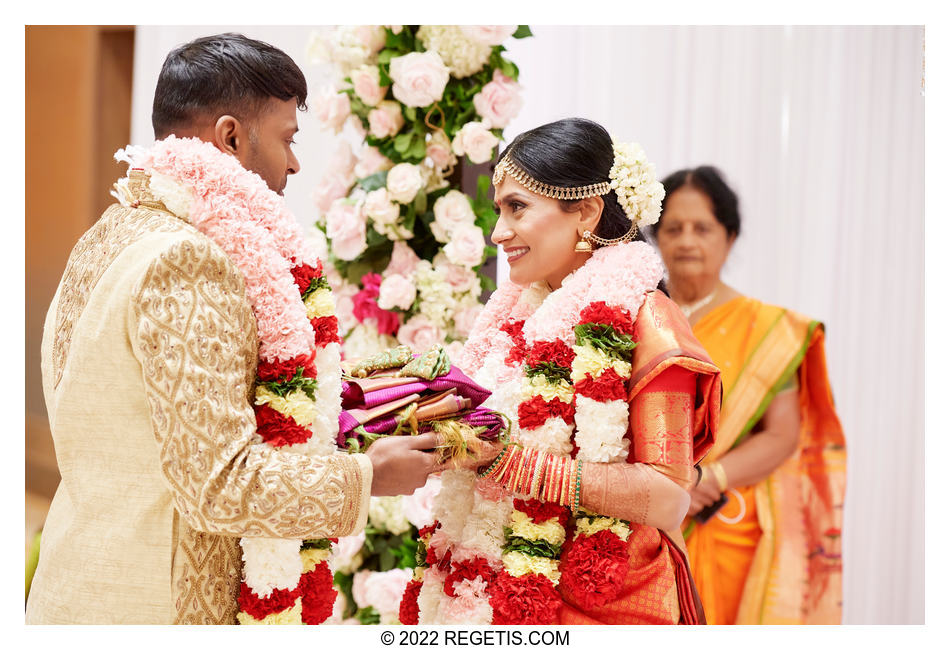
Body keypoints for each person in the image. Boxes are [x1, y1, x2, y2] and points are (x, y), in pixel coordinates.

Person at [25, 33, 493, 625]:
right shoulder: (185, 261)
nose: (295, 163)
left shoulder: (111, 232)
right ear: (230, 137)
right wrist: (368, 477)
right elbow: (217, 484)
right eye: (288, 139)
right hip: (154, 604)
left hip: (81, 577)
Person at [405, 118, 721, 625]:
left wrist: (514, 464)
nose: (497, 232)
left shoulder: (648, 321)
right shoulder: (518, 316)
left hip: (607, 600)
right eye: (498, 210)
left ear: (587, 213)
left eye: (517, 208)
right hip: (494, 596)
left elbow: (668, 498)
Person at [651, 166, 846, 624]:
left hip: (722, 520)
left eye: (702, 228)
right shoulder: (639, 318)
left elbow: (782, 435)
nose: (686, 241)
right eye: (673, 228)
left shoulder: (767, 328)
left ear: (730, 237)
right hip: (644, 521)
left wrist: (705, 480)